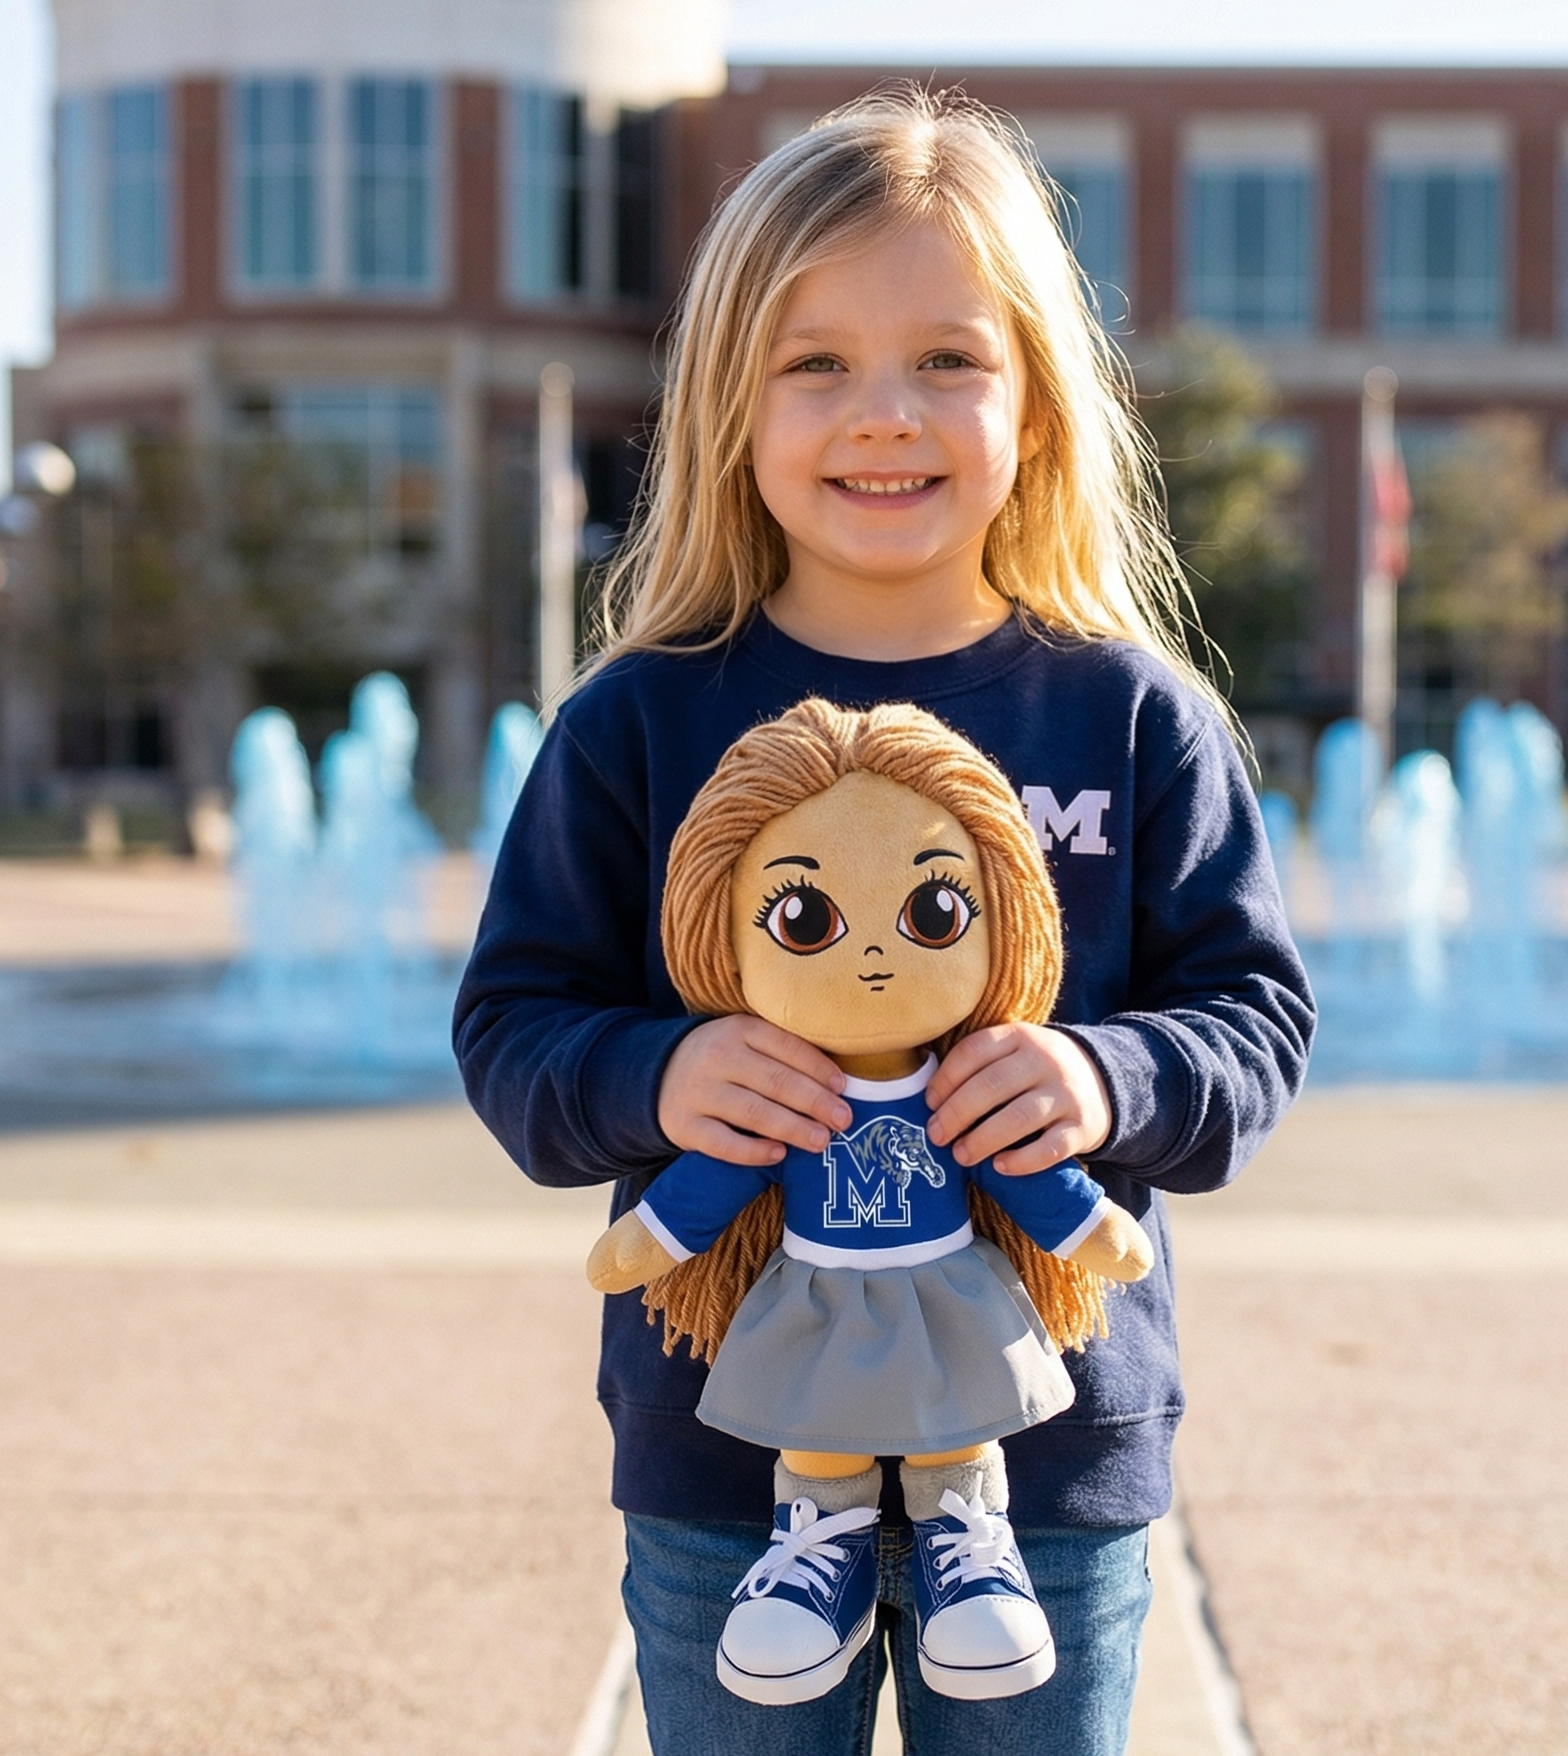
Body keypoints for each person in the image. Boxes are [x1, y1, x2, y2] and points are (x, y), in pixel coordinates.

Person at [454, 87, 1314, 1756]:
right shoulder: (637, 723)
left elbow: (1253, 1024)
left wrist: (1103, 1081)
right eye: (816, 364)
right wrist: (658, 1075)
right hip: (730, 1462)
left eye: (946, 359)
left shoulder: (1134, 719)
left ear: (1036, 403)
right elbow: (513, 1030)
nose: (883, 416)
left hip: (1048, 1464)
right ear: (729, 403)